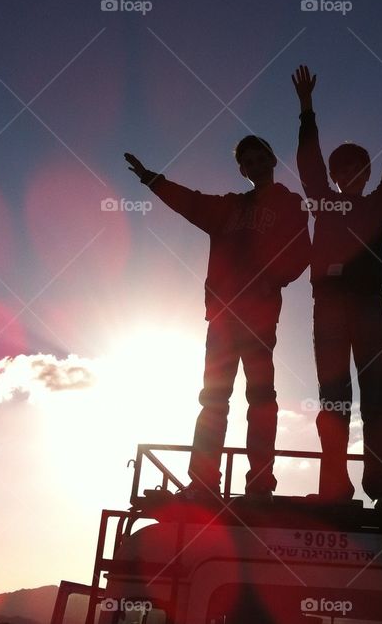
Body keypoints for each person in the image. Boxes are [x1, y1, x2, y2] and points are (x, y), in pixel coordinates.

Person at [124, 136, 310, 503]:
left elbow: (301, 251)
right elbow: (191, 202)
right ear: (242, 169)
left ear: (272, 160)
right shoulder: (228, 208)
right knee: (213, 399)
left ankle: (260, 483)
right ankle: (204, 481)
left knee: (261, 399)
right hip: (223, 319)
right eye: (248, 162)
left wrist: (271, 279)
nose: (255, 165)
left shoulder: (289, 204)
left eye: (260, 158)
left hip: (259, 319)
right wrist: (153, 180)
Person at [292, 64, 382, 508]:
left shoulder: (377, 205)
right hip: (330, 309)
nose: (356, 174)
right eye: (347, 169)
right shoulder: (323, 201)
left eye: (361, 168)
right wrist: (306, 109)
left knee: (377, 399)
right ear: (337, 176)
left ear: (367, 175)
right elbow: (309, 162)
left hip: (372, 307)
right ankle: (334, 488)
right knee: (334, 401)